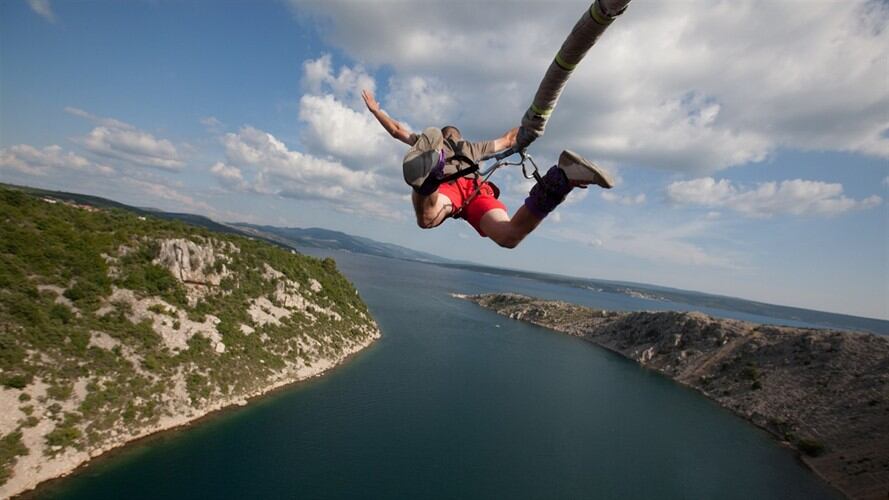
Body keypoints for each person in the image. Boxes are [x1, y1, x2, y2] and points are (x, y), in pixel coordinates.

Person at [362, 89, 613, 249]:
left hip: (453, 190)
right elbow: (508, 139)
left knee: (428, 219)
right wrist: (532, 123)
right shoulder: (473, 147)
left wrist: (376, 111)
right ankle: (562, 180)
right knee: (508, 237)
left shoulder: (438, 144)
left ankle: (428, 181)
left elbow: (396, 131)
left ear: (443, 137)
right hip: (472, 191)